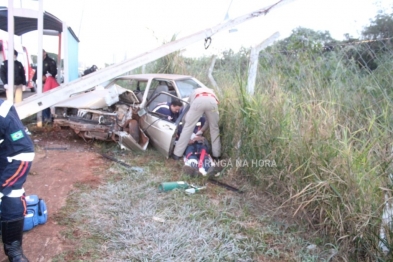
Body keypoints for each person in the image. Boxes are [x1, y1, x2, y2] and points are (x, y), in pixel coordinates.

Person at [0, 99, 34, 261]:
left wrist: (4, 186)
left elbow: (24, 152)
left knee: (12, 197)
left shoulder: (3, 113)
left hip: (5, 165)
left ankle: (13, 249)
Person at [172, 87, 221, 161]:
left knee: (188, 128)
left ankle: (177, 154)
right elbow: (209, 121)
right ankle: (217, 155)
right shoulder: (212, 93)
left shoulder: (194, 92)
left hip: (198, 101)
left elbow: (185, 112)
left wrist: (185, 125)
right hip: (212, 102)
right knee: (214, 128)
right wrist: (201, 131)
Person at [32, 49, 59, 122]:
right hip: (42, 82)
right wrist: (33, 80)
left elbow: (54, 71)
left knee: (45, 99)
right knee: (41, 100)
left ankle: (46, 116)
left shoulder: (51, 61)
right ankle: (43, 115)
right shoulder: (40, 62)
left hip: (49, 83)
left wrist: (48, 75)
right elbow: (37, 72)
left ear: (45, 53)